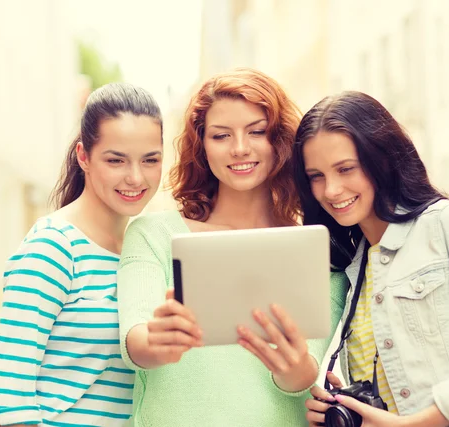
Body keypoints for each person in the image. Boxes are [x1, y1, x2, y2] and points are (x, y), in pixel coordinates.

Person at [293, 91, 449, 427]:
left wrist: (418, 423)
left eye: (345, 169)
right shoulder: (354, 270)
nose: (331, 190)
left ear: (380, 160)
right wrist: (343, 407)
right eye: (317, 176)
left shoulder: (446, 224)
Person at [117, 68, 349, 426]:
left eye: (257, 131)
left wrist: (295, 367)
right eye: (221, 135)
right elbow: (135, 341)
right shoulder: (154, 234)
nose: (240, 148)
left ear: (281, 140)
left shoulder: (317, 249)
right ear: (202, 146)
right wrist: (157, 341)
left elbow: (307, 373)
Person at [0, 82, 164, 427]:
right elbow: (7, 393)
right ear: (84, 156)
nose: (135, 177)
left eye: (150, 160)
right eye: (116, 160)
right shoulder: (54, 246)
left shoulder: (141, 252)